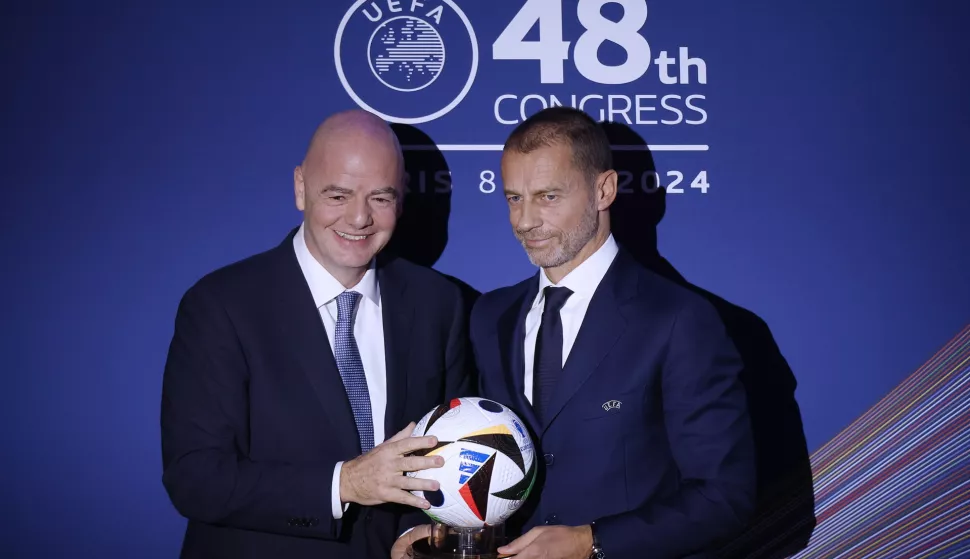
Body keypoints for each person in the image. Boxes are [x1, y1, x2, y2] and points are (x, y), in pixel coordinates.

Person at [160, 109, 473, 559]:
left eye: (381, 198)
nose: (360, 217)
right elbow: (195, 477)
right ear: (300, 188)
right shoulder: (221, 305)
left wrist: (414, 533)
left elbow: (454, 454)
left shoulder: (438, 303)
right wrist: (343, 483)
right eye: (339, 194)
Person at [458, 107, 755, 558]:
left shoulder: (679, 320)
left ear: (604, 189)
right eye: (514, 198)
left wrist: (591, 542)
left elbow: (724, 496)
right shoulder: (490, 315)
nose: (524, 221)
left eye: (548, 196)